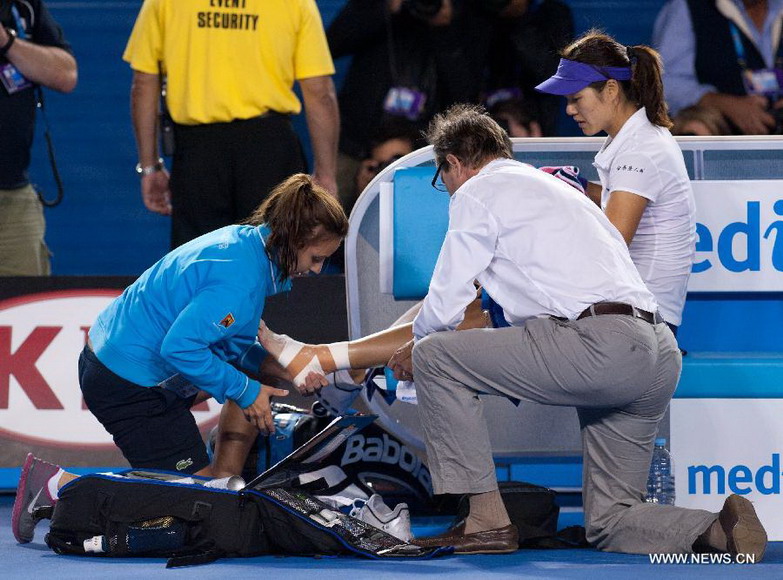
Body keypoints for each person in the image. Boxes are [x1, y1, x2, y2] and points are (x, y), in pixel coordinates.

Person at [391, 103, 766, 557]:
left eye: (442, 180)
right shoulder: (557, 191)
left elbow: (447, 299)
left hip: (599, 347)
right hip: (658, 352)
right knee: (610, 521)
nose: (447, 190)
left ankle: (486, 522)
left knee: (435, 355)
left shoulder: (478, 190)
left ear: (453, 163)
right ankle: (717, 530)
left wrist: (417, 344)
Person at [12, 174, 348, 544]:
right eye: (316, 258)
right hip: (127, 384)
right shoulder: (238, 281)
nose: (317, 270)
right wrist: (246, 391)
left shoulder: (247, 247)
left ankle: (198, 471)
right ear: (293, 240)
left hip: (123, 365)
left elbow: (230, 346)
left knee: (209, 482)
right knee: (197, 507)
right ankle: (58, 485)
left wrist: (293, 369)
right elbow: (181, 349)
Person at [123, 0, 340, 248]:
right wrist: (326, 174)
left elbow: (143, 82)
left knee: (199, 264)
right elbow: (319, 92)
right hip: (269, 151)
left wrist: (150, 167)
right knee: (273, 261)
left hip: (199, 156)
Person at [535, 30, 697, 335]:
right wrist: (578, 187)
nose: (569, 109)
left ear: (611, 90)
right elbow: (617, 203)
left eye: (576, 99)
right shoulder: (634, 141)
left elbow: (609, 247)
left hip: (642, 326)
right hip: (630, 315)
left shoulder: (640, 150)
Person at [0, 0, 76, 275]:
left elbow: (66, 74)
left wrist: (7, 42)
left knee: (23, 299)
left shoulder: (22, 7)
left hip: (12, 197)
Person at [653, 0, 783, 135]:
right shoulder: (689, 7)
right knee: (695, 127)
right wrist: (722, 104)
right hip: (721, 130)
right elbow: (665, 82)